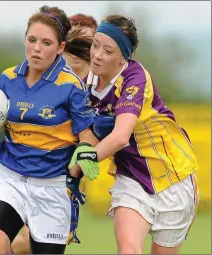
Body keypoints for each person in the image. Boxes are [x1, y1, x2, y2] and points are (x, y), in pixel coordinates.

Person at [0, 5, 99, 254]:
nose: (36, 48)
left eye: (46, 43)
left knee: (26, 247)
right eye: (31, 40)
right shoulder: (8, 78)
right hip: (10, 180)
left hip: (52, 188)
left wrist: (85, 151)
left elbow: (87, 137)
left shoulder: (71, 86)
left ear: (61, 47)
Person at [69, 15, 200, 254]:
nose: (97, 55)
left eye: (108, 51)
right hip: (130, 179)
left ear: (123, 59)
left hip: (174, 177)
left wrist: (80, 164)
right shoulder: (84, 83)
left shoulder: (135, 77)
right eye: (95, 45)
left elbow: (120, 137)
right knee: (128, 249)